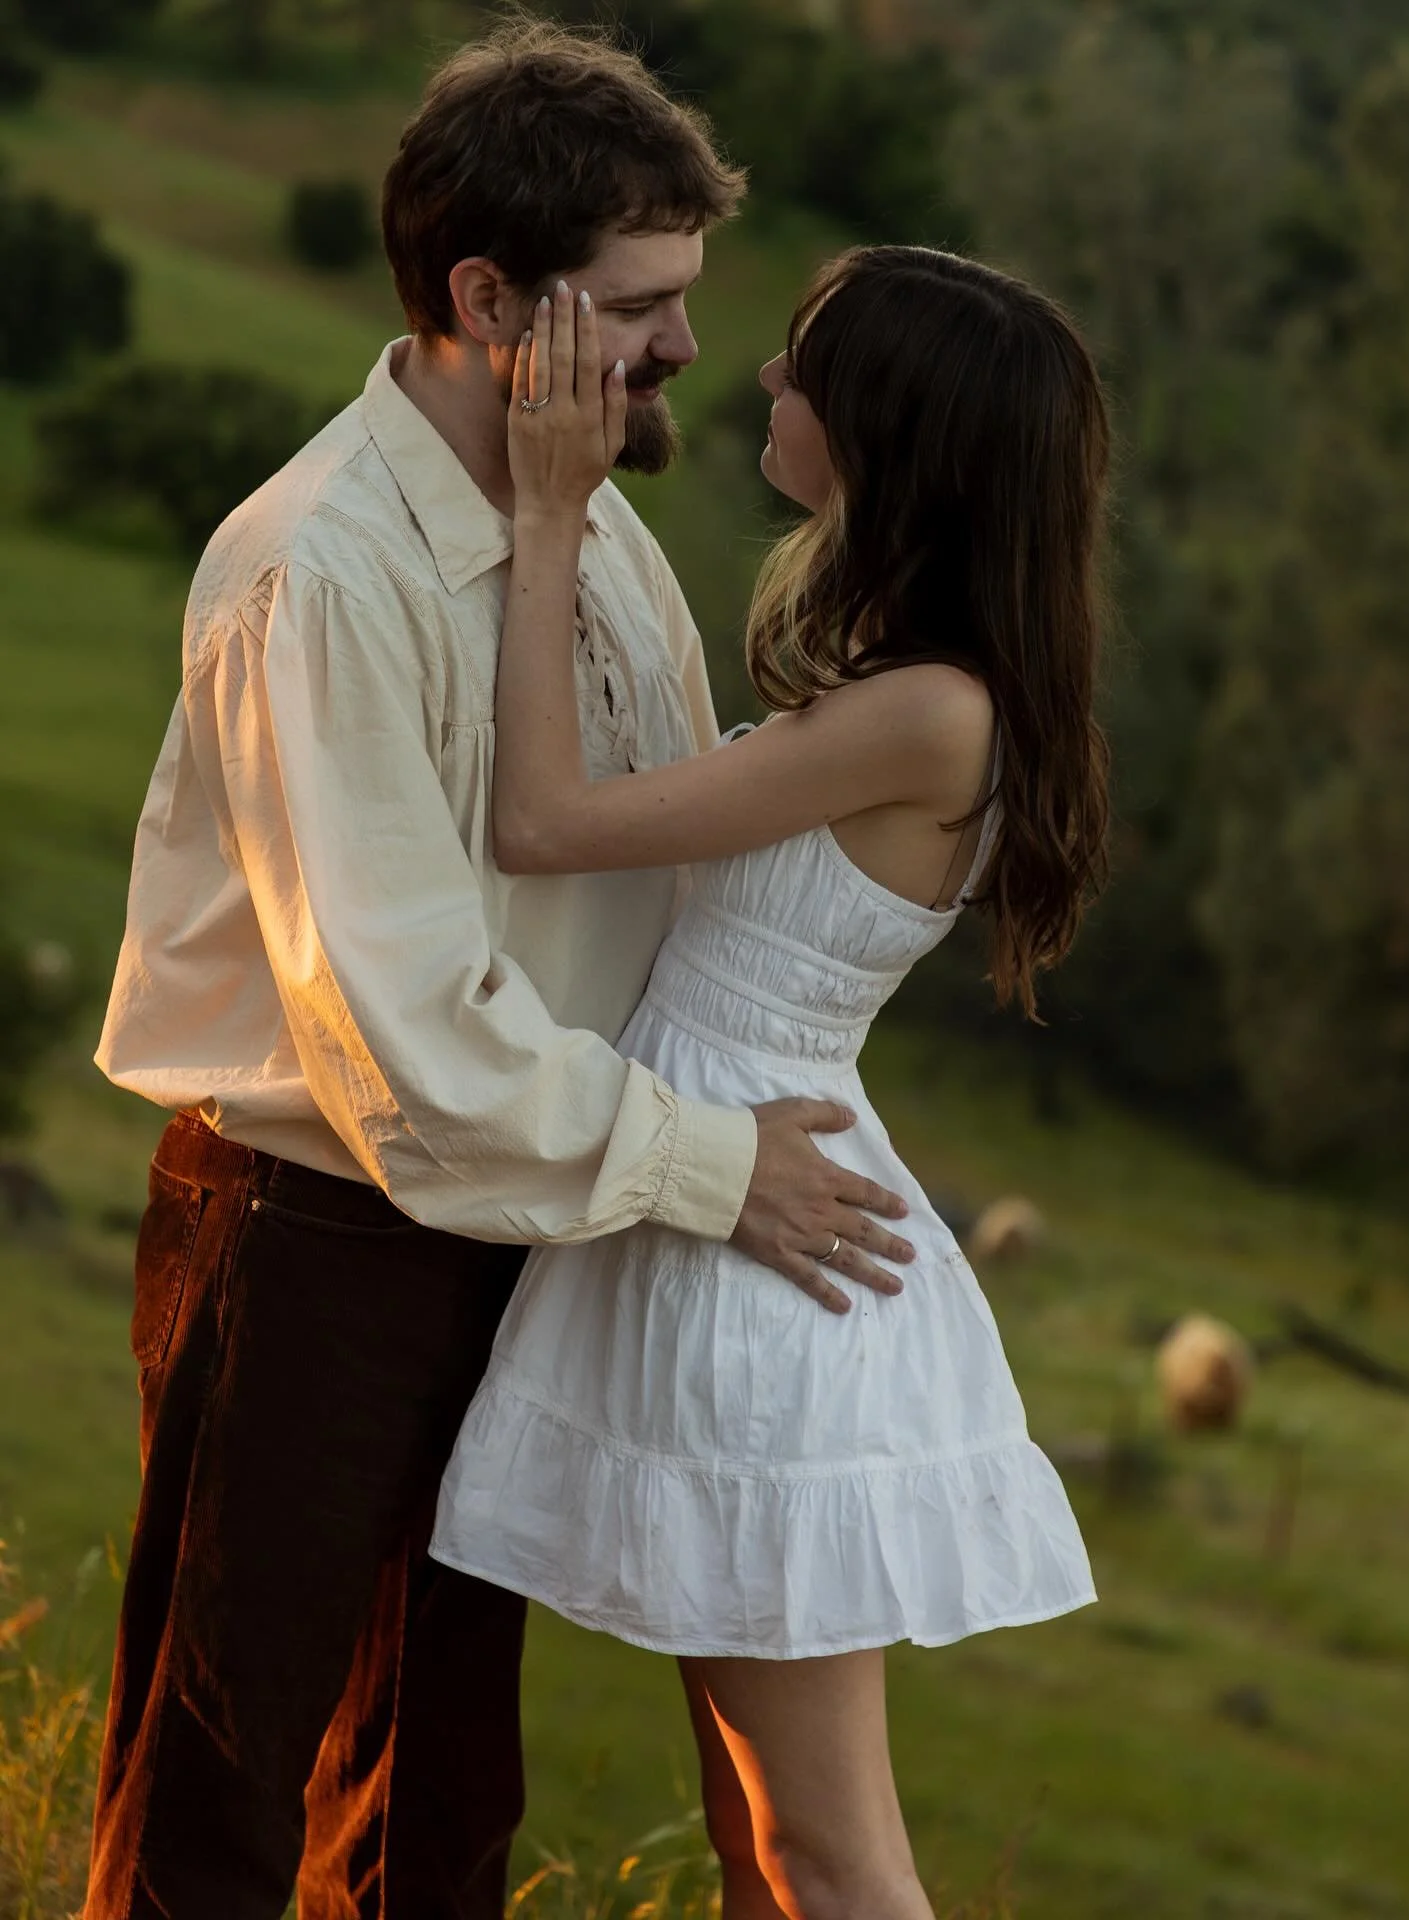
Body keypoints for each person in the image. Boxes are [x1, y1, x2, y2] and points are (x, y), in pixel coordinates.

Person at [84, 23, 917, 1919]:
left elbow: (653, 892)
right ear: (487, 299)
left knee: (438, 1802)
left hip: (531, 1231)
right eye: (641, 306)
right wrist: (724, 1171)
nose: (688, 350)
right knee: (213, 1807)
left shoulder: (599, 539)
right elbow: (399, 1043)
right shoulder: (323, 571)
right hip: (314, 1237)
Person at [431, 252, 1112, 1918]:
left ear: (888, 429)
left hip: (763, 1261)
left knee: (827, 1852)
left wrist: (543, 521)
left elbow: (547, 823)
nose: (761, 385)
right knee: (762, 1843)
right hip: (718, 1192)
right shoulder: (898, 682)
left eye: (802, 367)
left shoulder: (931, 715)